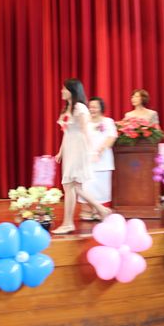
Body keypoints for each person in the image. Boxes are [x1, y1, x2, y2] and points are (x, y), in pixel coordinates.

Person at [52, 79, 112, 235]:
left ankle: (68, 223)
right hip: (70, 149)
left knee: (70, 186)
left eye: (64, 89)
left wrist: (91, 152)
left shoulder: (80, 108)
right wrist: (61, 151)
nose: (62, 91)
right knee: (75, 187)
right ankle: (101, 210)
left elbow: (86, 131)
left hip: (79, 150)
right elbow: (67, 133)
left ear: (72, 91)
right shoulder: (67, 108)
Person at [78, 97, 118, 221]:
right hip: (87, 161)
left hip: (103, 160)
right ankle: (88, 211)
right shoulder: (85, 123)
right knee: (87, 186)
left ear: (101, 108)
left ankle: (99, 211)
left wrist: (100, 150)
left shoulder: (108, 122)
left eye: (95, 107)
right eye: (90, 107)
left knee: (101, 188)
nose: (92, 109)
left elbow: (111, 137)